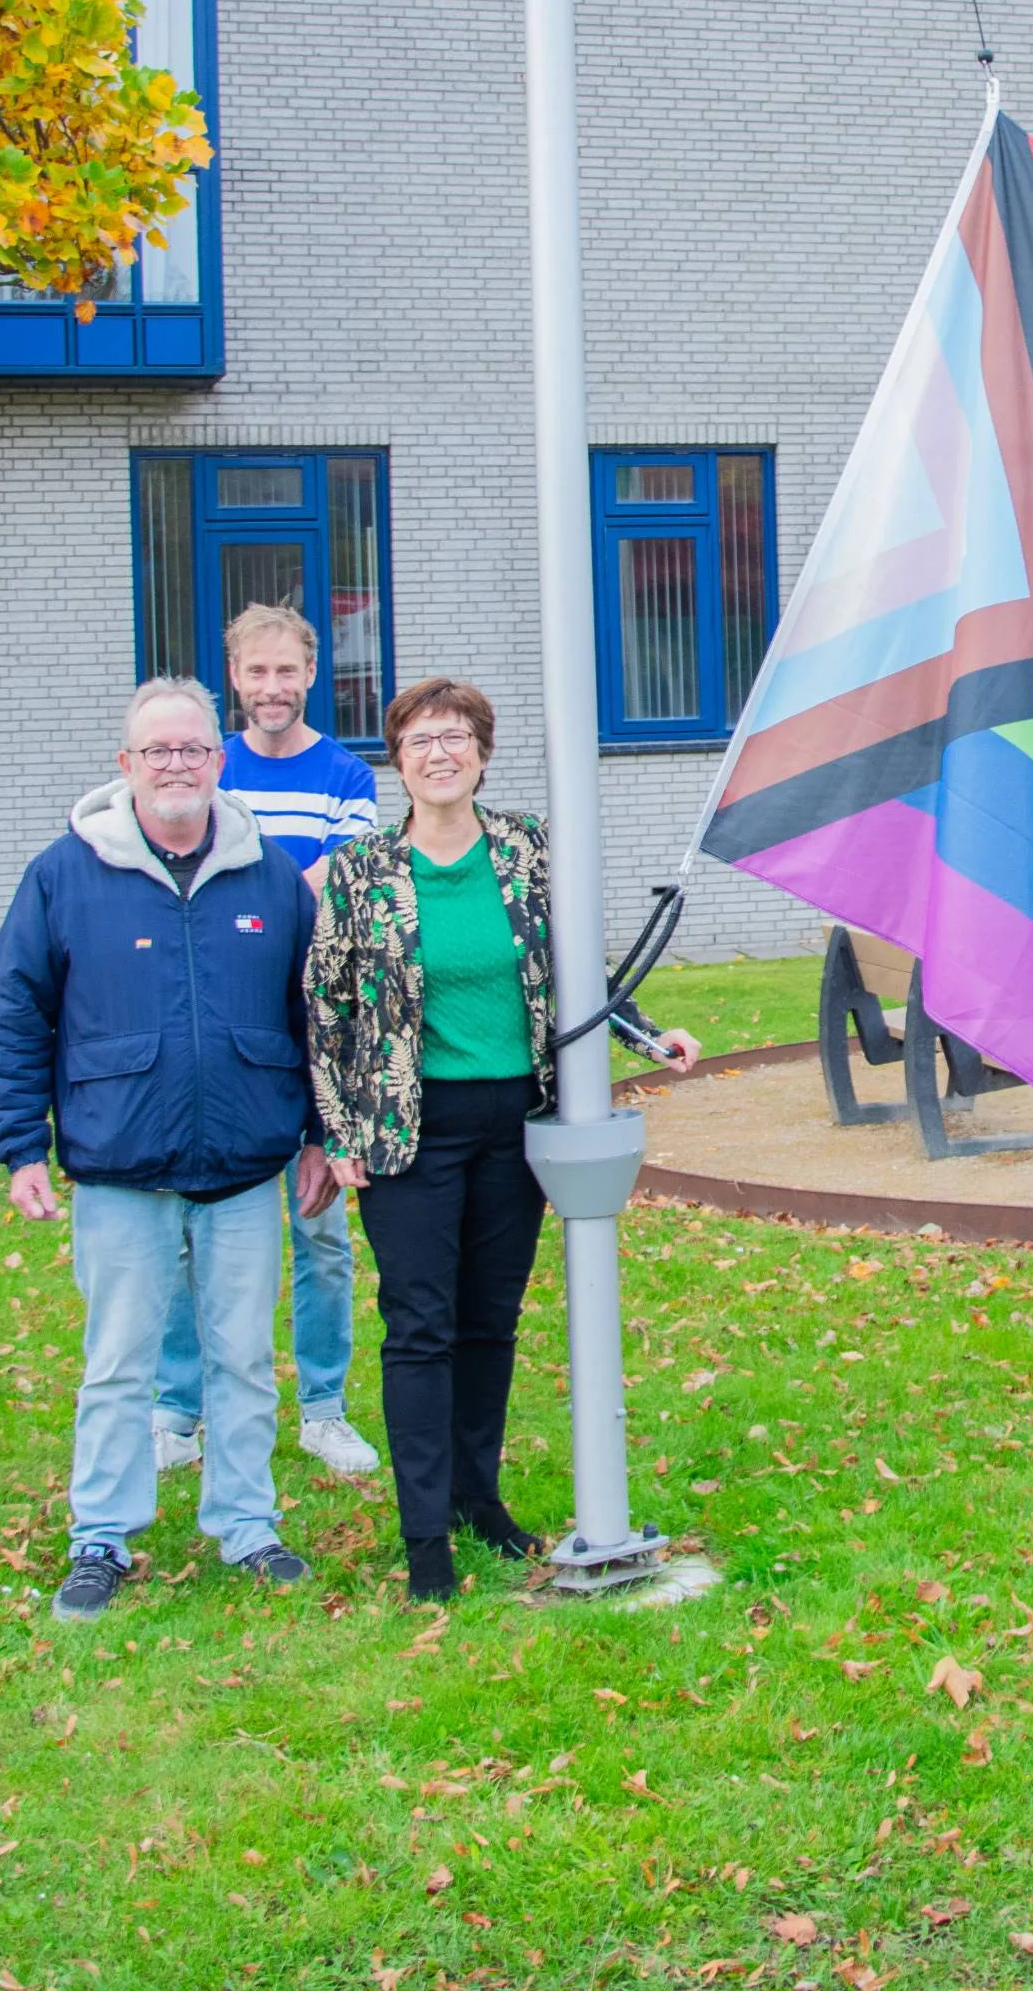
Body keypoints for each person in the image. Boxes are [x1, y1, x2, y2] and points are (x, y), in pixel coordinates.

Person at [304, 676, 698, 1602]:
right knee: (421, 1328)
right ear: (396, 762)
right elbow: (325, 1009)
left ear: (481, 752)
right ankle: (427, 1541)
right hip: (409, 1131)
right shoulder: (363, 871)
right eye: (418, 741)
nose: (438, 754)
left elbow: (577, 967)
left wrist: (647, 1035)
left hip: (514, 1121)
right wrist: (336, 1127)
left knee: (490, 1322)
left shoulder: (527, 850)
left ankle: (480, 1502)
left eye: (455, 737)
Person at [0, 678, 331, 1622]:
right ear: (125, 766)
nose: (175, 765)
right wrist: (19, 1144)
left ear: (219, 764)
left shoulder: (269, 877)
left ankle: (247, 1524)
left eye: (192, 750)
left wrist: (320, 1135)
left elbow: (314, 1013)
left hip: (244, 1164)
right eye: (156, 752)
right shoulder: (65, 873)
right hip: (118, 1161)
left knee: (244, 1359)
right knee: (119, 1361)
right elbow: (17, 1012)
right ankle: (101, 1535)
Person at [147, 603, 380, 1484]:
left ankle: (324, 1408)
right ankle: (178, 1411)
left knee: (319, 1233)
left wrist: (244, 888)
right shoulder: (208, 769)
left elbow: (336, 884)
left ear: (309, 674)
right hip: (214, 1027)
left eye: (287, 672)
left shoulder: (347, 776)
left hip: (313, 1031)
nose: (272, 688)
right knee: (186, 1231)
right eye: (256, 673)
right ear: (233, 679)